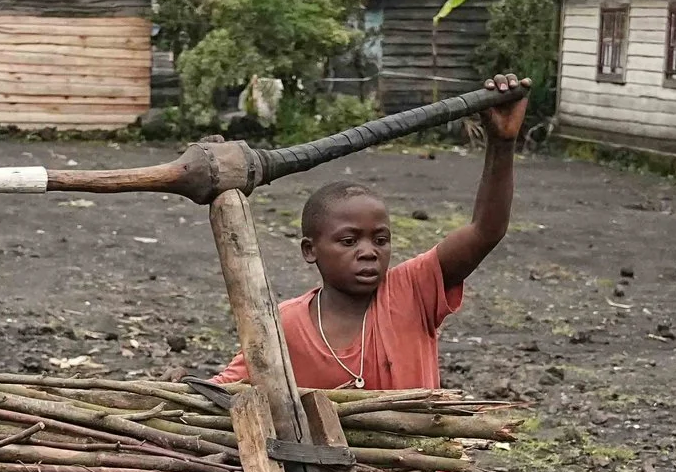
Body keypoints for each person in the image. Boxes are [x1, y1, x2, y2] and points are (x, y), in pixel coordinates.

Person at [216, 76, 528, 392]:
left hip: (417, 442)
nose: (369, 252)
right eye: (349, 241)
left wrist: (502, 144)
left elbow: (485, 231)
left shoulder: (412, 291)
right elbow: (222, 388)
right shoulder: (284, 326)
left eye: (380, 240)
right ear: (310, 250)